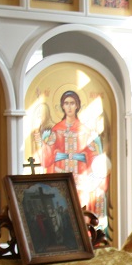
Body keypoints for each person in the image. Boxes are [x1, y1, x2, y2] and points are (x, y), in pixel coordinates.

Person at [39, 90, 107, 220]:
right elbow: (48, 154)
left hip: (80, 177)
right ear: (62, 106)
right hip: (60, 175)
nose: (69, 106)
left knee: (80, 209)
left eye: (72, 103)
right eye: (66, 103)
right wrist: (41, 143)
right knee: (60, 208)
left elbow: (92, 154)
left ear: (77, 106)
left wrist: (96, 161)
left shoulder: (84, 130)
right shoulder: (57, 129)